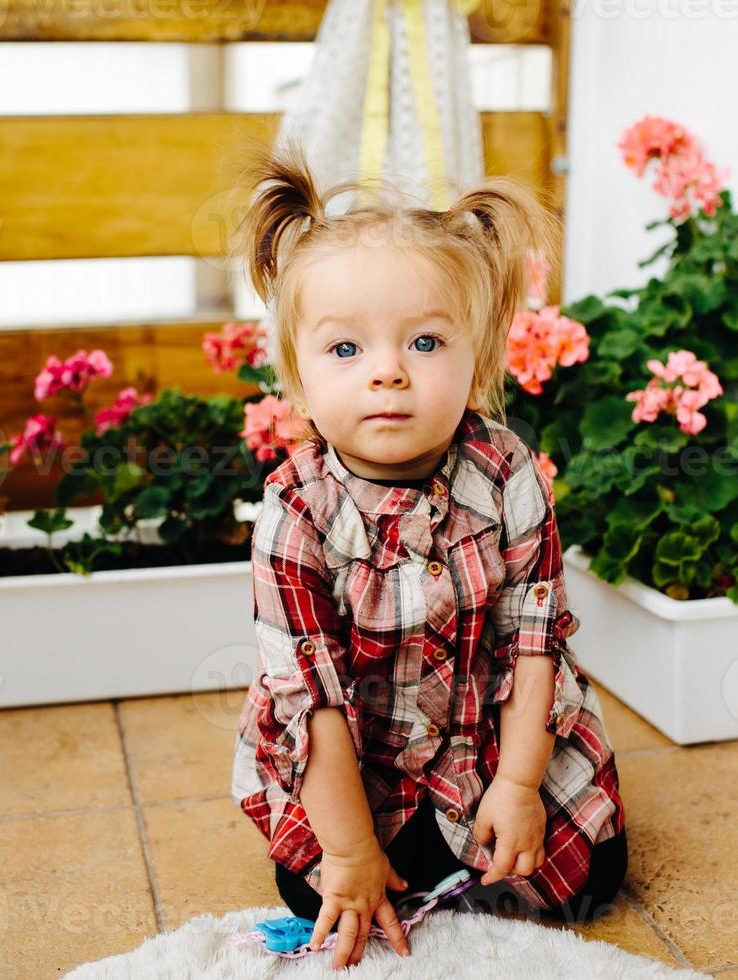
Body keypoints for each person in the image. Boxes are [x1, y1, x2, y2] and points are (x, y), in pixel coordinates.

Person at [228, 143, 626, 972]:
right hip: (360, 757)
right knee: (319, 891)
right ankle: (402, 851)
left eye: (424, 343)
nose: (387, 375)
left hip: (489, 736)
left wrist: (518, 789)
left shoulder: (508, 471)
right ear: (296, 381)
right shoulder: (297, 513)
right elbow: (315, 702)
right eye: (346, 351)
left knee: (599, 877)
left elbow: (532, 640)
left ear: (478, 360)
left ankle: (476, 835)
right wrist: (347, 851)